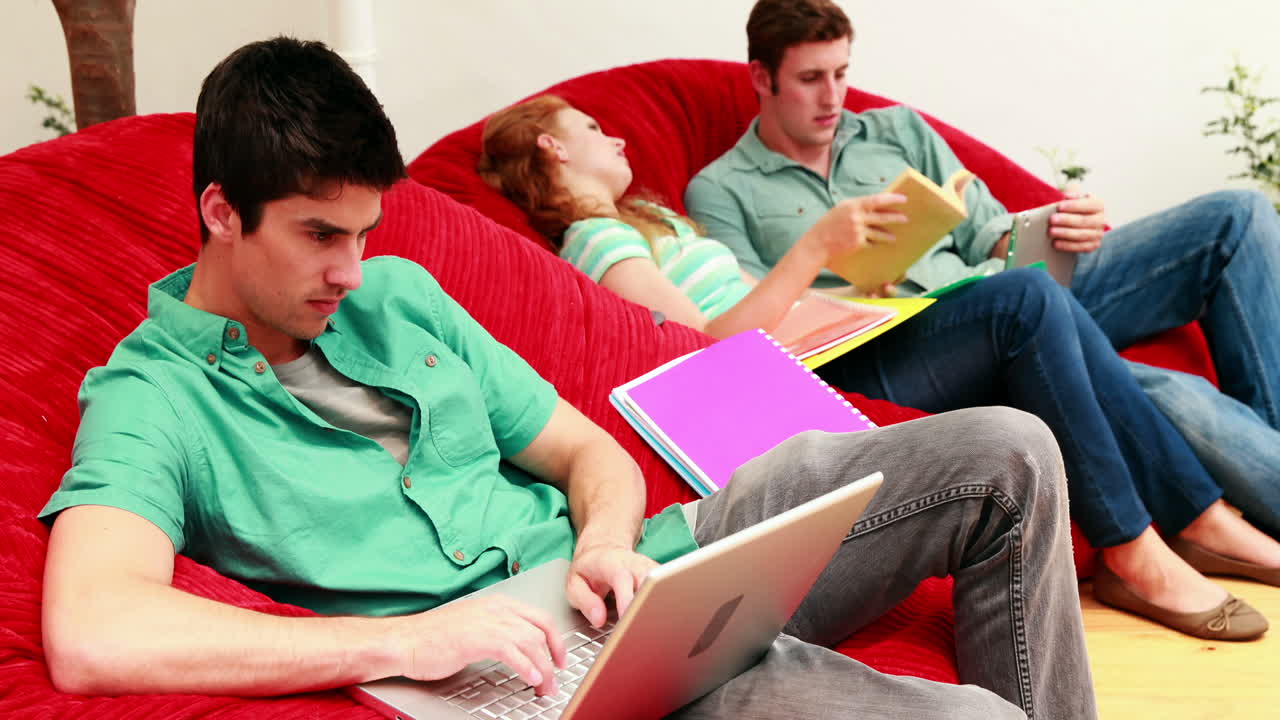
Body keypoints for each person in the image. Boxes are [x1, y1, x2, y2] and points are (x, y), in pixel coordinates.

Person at [38, 36, 1098, 720]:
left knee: (1009, 446)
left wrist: (599, 545)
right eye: (319, 237)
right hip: (546, 675)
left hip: (647, 567)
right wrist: (411, 640)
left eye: (362, 233)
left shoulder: (397, 297)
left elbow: (586, 450)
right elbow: (94, 632)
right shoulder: (153, 396)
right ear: (222, 212)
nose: (347, 273)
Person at [478, 92, 1280, 641]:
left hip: (823, 347)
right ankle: (1138, 548)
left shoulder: (649, 222)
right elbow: (704, 349)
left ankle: (1199, 525)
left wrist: (855, 290)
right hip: (799, 390)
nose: (615, 138)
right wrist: (814, 250)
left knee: (1031, 297)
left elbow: (759, 315)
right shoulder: (599, 242)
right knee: (1026, 306)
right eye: (592, 129)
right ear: (553, 145)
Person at [684, 0, 1280, 542]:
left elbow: (990, 235)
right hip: (930, 340)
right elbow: (763, 331)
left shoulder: (897, 131)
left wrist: (1057, 229)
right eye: (811, 79)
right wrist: (831, 261)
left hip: (1009, 287)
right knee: (1167, 388)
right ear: (762, 78)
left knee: (1238, 215)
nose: (833, 98)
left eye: (841, 73)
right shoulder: (721, 189)